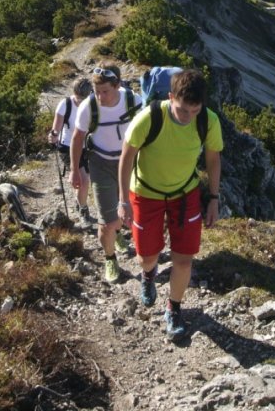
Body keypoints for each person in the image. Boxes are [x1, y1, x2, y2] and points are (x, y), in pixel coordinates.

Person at [118, 69, 223, 341]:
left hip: (184, 193)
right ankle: (148, 274)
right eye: (182, 110)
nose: (188, 117)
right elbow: (126, 157)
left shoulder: (208, 121)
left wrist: (213, 198)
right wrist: (123, 200)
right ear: (170, 97)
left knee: (184, 259)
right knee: (147, 256)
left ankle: (174, 308)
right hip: (146, 193)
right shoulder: (149, 118)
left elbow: (213, 160)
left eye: (194, 111)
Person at [70, 63, 141, 283]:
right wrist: (74, 170)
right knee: (107, 222)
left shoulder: (134, 102)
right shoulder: (88, 107)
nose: (100, 96)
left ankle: (119, 235)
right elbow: (77, 138)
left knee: (130, 214)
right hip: (101, 164)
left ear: (117, 85)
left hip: (131, 163)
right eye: (96, 91)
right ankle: (110, 258)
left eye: (105, 91)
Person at [48, 77, 93, 227]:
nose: (80, 101)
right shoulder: (65, 104)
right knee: (84, 180)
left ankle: (79, 202)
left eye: (83, 98)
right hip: (68, 147)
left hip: (87, 146)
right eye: (78, 97)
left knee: (85, 180)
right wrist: (53, 135)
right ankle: (83, 210)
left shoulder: (94, 104)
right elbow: (56, 127)